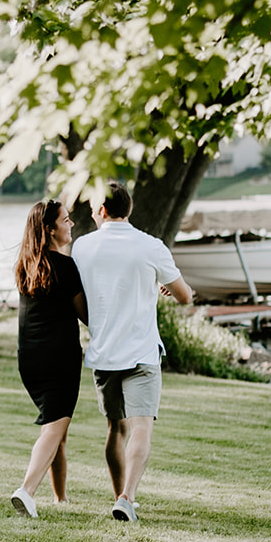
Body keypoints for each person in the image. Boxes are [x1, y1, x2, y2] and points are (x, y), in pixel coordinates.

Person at [71, 182, 194, 522]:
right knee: (141, 427)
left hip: (104, 351)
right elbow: (184, 296)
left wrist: (96, 323)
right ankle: (127, 497)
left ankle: (119, 496)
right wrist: (164, 288)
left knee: (116, 429)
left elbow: (84, 295)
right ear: (130, 208)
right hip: (141, 350)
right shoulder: (150, 246)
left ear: (101, 210)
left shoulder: (82, 247)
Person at [10, 199, 87, 518]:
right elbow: (86, 315)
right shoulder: (65, 266)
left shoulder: (26, 265)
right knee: (54, 427)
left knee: (58, 427)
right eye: (66, 221)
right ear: (50, 229)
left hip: (29, 357)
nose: (72, 225)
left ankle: (60, 498)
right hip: (60, 358)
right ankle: (26, 491)